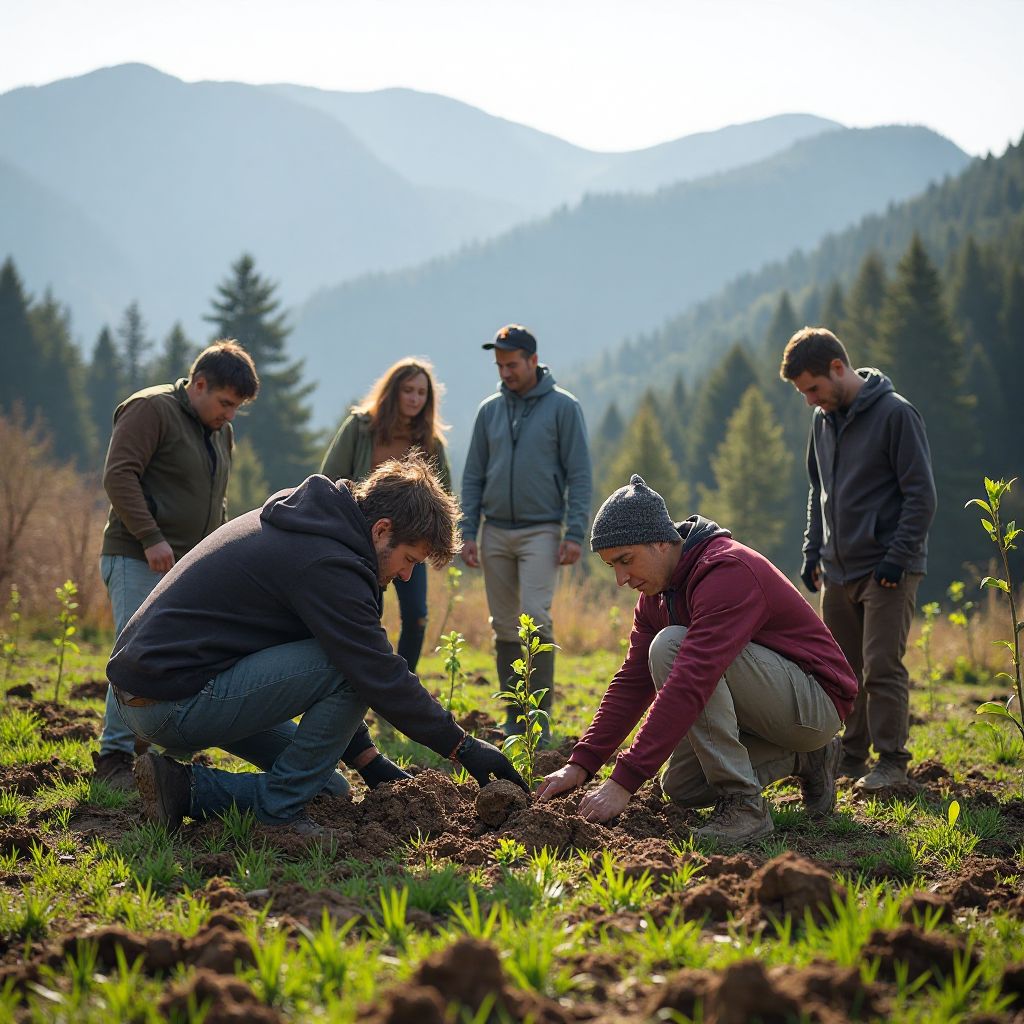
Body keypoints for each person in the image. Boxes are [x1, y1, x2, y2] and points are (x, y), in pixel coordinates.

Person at [107, 454, 525, 834]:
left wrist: (369, 763)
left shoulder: (320, 525)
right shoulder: (327, 562)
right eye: (410, 560)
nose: (407, 577)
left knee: (328, 788)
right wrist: (462, 747)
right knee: (351, 669)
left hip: (167, 688)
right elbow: (372, 669)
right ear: (382, 531)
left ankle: (183, 788)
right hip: (171, 701)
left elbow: (335, 647)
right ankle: (279, 812)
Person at [537, 475, 859, 845]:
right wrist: (581, 765)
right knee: (682, 786)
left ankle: (745, 808)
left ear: (661, 541)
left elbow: (691, 679)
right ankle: (810, 759)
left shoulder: (727, 570)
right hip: (769, 704)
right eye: (613, 567)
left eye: (626, 560)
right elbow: (632, 681)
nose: (622, 580)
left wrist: (623, 780)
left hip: (815, 701)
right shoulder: (657, 597)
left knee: (671, 646)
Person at [92, 340, 260, 792]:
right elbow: (118, 474)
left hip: (187, 566)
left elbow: (216, 501)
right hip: (136, 555)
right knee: (134, 653)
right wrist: (151, 538)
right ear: (199, 384)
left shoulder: (221, 431)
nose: (229, 414)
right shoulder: (150, 410)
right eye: (225, 402)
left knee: (181, 654)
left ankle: (156, 753)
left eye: (237, 407)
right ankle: (113, 756)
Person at [780, 327, 936, 791]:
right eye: (802, 393)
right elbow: (818, 491)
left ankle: (892, 763)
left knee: (882, 665)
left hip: (888, 570)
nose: (810, 400)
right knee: (841, 672)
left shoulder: (896, 415)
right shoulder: (822, 421)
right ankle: (848, 759)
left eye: (813, 388)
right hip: (836, 570)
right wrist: (813, 550)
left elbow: (921, 496)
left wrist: (898, 557)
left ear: (837, 368)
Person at [460, 324, 592, 741]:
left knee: (534, 617)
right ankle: (515, 716)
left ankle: (540, 717)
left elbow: (580, 475)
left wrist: (574, 532)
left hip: (542, 531)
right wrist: (467, 530)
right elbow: (473, 475)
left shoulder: (563, 408)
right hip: (494, 531)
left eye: (512, 364)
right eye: (500, 365)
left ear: (533, 361)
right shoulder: (489, 411)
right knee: (502, 624)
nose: (505, 372)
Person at [321, 358, 451, 673]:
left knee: (417, 616)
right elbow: (329, 479)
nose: (414, 398)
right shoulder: (360, 427)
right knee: (362, 614)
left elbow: (443, 495)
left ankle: (400, 684)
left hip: (409, 541)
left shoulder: (430, 442)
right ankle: (352, 680)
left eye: (421, 393)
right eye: (408, 390)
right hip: (359, 538)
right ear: (392, 391)